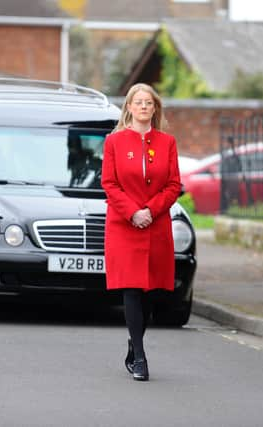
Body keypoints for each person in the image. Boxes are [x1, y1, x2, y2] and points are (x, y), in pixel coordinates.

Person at [101, 83, 181, 381]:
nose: (144, 107)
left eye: (149, 102)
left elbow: (174, 184)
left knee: (150, 293)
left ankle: (133, 344)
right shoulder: (114, 142)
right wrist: (133, 212)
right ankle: (141, 359)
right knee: (132, 289)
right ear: (130, 108)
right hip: (124, 225)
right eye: (139, 102)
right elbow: (110, 184)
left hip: (156, 224)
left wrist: (151, 210)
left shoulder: (167, 142)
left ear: (155, 108)